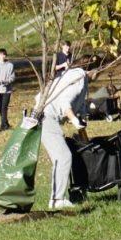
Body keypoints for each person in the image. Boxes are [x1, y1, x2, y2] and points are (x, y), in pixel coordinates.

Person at [37, 62, 91, 211]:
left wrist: (80, 117)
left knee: (64, 156)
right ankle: (56, 200)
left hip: (47, 116)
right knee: (62, 157)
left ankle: (58, 198)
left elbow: (77, 104)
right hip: (45, 116)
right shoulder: (78, 77)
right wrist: (74, 120)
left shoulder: (80, 78)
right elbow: (64, 102)